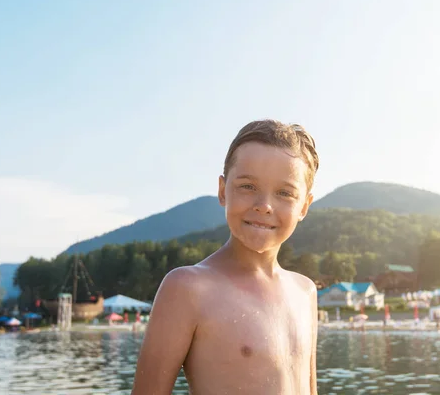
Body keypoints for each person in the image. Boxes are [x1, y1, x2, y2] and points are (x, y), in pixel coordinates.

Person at [131, 120, 320, 395]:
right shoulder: (188, 288)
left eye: (284, 193)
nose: (264, 205)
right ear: (222, 191)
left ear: (304, 206)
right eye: (247, 186)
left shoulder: (305, 291)